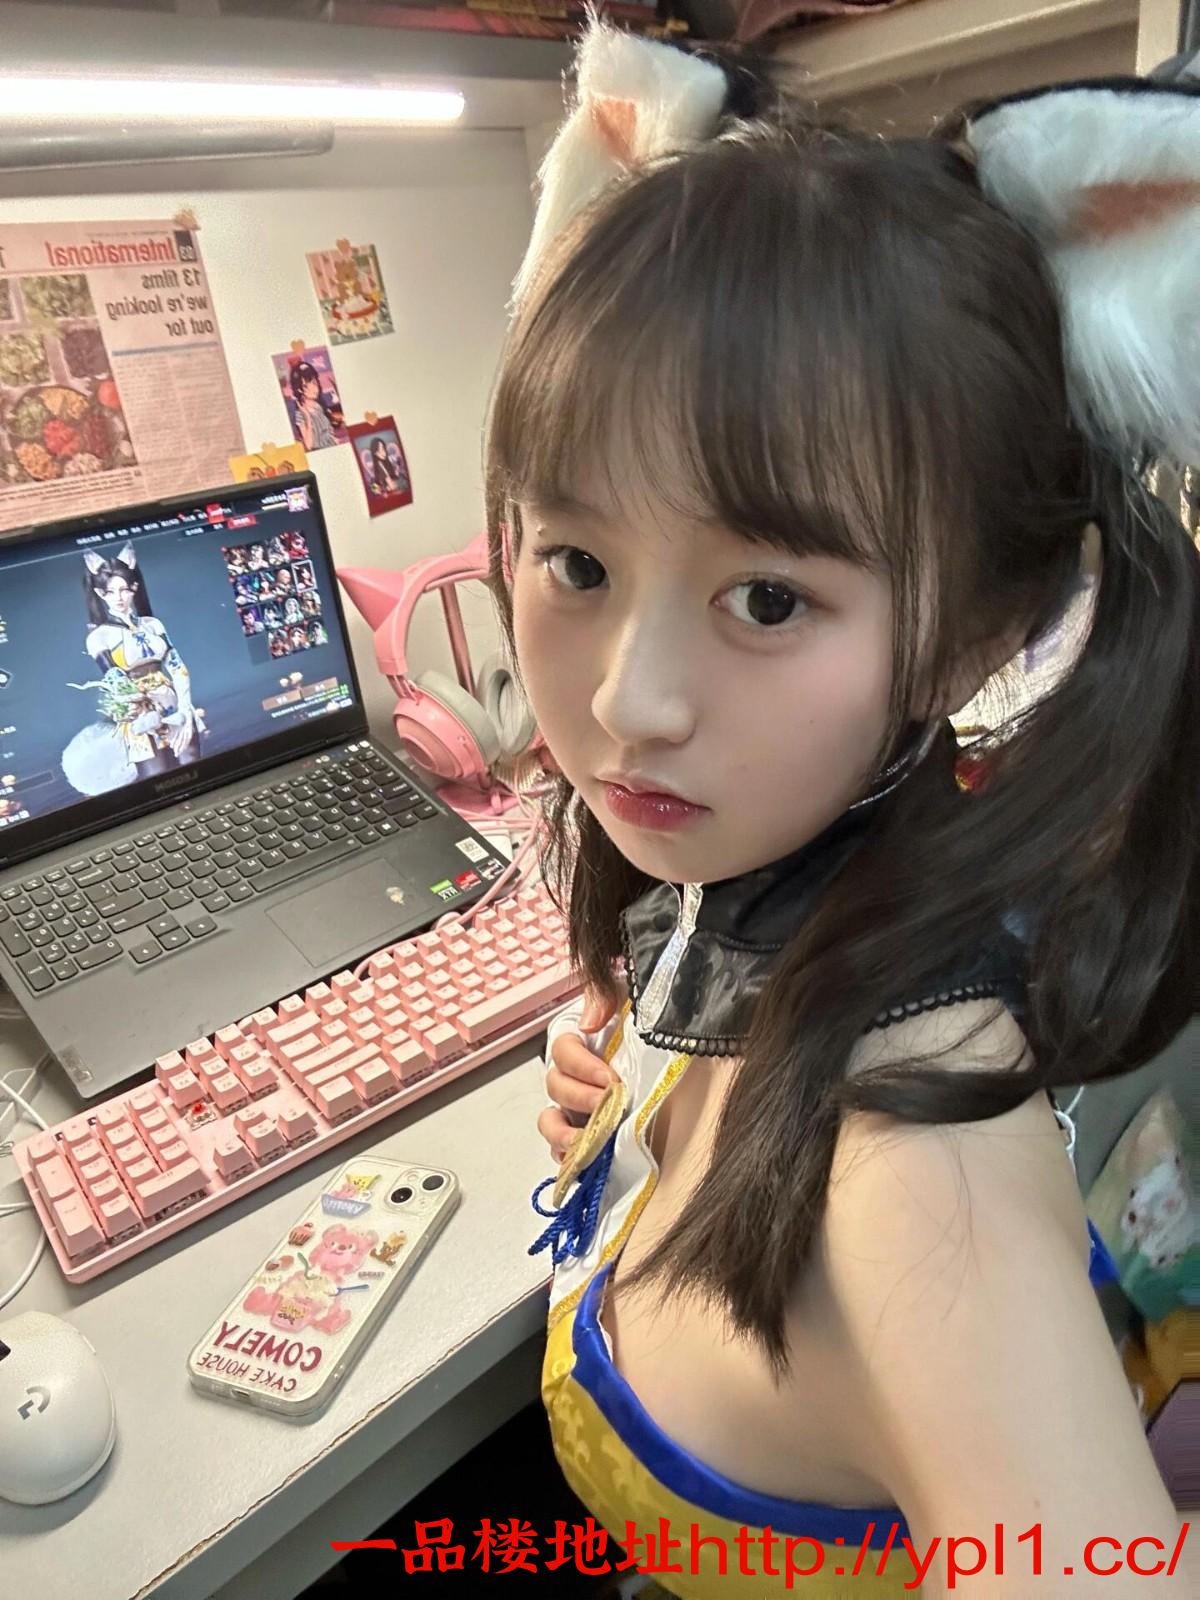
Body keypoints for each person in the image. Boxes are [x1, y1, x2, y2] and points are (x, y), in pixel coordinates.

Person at [485, 21, 1199, 1598]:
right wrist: (648, 1109)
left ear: (972, 636)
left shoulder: (912, 1188)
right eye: (577, 562)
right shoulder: (778, 873)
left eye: (766, 598)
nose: (629, 702)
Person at [62, 543, 203, 793]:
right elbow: (116, 680)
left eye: (124, 590)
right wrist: (147, 714)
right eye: (110, 592)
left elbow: (178, 668)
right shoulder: (99, 637)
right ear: (100, 593)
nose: (118, 597)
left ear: (134, 588)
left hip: (173, 703)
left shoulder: (153, 625)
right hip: (139, 714)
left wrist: (184, 710)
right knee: (156, 780)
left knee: (195, 769)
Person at [289, 357, 339, 451]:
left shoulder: (318, 406)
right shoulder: (300, 414)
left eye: (314, 382)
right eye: (306, 386)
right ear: (299, 389)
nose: (314, 388)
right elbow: (308, 445)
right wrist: (308, 417)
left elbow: (329, 430)